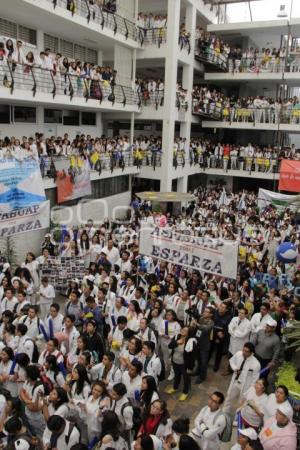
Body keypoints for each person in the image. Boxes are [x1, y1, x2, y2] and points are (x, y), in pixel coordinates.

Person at [223, 343, 261, 417]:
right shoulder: (238, 354)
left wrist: (249, 391)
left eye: (246, 351)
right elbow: (232, 361)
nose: (244, 352)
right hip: (236, 381)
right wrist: (234, 368)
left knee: (241, 403)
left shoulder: (256, 364)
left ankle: (237, 418)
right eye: (243, 350)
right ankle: (224, 412)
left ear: (251, 352)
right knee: (229, 397)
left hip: (245, 387)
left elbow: (255, 380)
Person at [166, 326, 197, 401]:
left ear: (189, 333)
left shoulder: (191, 341)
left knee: (186, 378)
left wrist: (190, 368)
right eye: (182, 329)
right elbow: (170, 346)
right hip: (175, 361)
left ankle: (185, 392)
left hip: (184, 364)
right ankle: (175, 388)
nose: (182, 331)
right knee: (177, 375)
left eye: (185, 330)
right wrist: (176, 342)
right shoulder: (176, 337)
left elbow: (193, 357)